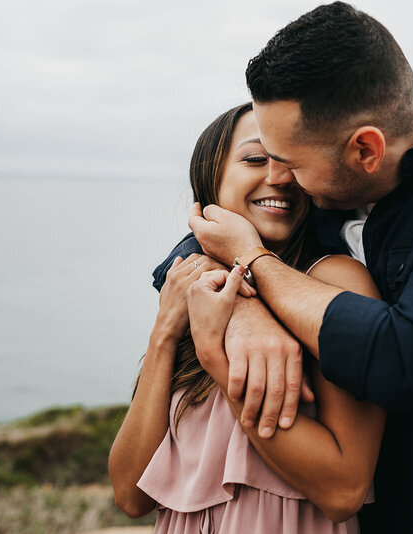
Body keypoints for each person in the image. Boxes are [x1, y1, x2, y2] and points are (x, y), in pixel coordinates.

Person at [154, 3, 413, 534]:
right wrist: (245, 311)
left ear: (366, 150)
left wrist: (254, 263)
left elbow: (406, 358)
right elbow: (204, 237)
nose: (282, 179)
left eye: (291, 161)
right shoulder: (330, 191)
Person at [109, 103, 386, 533]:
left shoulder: (335, 281)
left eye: (291, 162)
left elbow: (343, 490)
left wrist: (215, 356)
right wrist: (165, 332)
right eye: (256, 158)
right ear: (210, 178)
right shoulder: (192, 291)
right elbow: (131, 495)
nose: (278, 177)